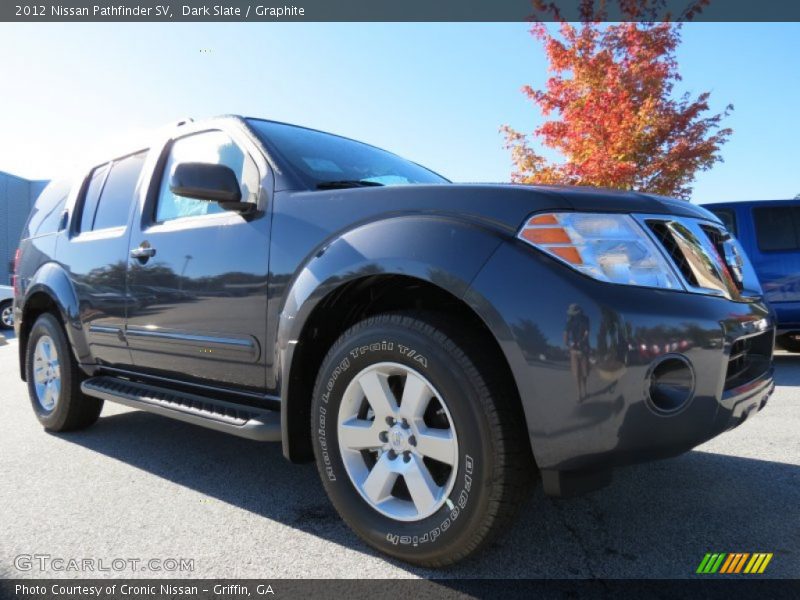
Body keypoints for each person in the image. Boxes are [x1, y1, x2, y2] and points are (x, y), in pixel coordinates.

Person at [564, 303, 590, 402]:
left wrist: (581, 342)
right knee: (577, 373)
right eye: (572, 313)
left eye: (575, 313)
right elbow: (565, 333)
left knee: (585, 373)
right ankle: (579, 394)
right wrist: (568, 343)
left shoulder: (585, 319)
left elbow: (587, 333)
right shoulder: (569, 320)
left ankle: (585, 390)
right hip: (574, 350)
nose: (573, 315)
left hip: (584, 349)